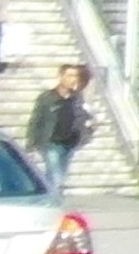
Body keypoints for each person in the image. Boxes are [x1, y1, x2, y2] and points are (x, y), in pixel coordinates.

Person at [22, 63, 91, 196]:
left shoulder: (77, 98)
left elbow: (83, 117)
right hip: (51, 142)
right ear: (60, 77)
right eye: (70, 75)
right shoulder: (47, 97)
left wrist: (85, 133)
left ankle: (48, 195)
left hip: (69, 143)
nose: (73, 79)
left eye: (76, 76)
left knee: (59, 174)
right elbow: (36, 120)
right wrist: (30, 144)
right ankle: (54, 199)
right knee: (55, 175)